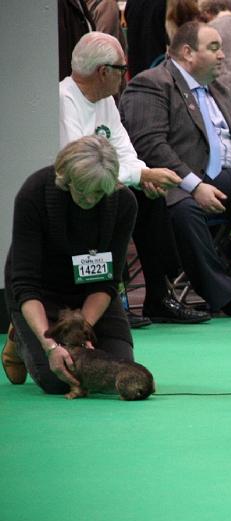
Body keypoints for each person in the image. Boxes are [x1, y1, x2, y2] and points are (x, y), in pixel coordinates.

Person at [120, 21, 231, 318]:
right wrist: (195, 186)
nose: (223, 55)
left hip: (228, 182)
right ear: (187, 52)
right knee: (184, 209)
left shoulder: (220, 91)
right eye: (214, 48)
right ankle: (225, 296)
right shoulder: (152, 83)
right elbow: (149, 145)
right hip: (177, 185)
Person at [61, 32, 210, 325]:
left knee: (150, 194)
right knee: (125, 197)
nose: (124, 75)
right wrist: (139, 175)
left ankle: (159, 294)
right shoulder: (64, 100)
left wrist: (143, 176)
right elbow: (79, 164)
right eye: (121, 69)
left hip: (107, 182)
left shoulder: (105, 100)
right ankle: (112, 298)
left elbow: (125, 151)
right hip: (75, 190)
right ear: (103, 72)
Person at [3, 136, 137, 393]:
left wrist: (82, 330)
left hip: (90, 292)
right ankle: (19, 335)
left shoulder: (124, 203)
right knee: (59, 380)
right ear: (66, 179)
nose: (90, 199)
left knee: (115, 372)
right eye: (82, 189)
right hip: (41, 293)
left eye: (99, 192)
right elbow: (25, 282)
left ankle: (37, 335)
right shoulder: (33, 194)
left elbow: (108, 281)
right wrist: (51, 346)